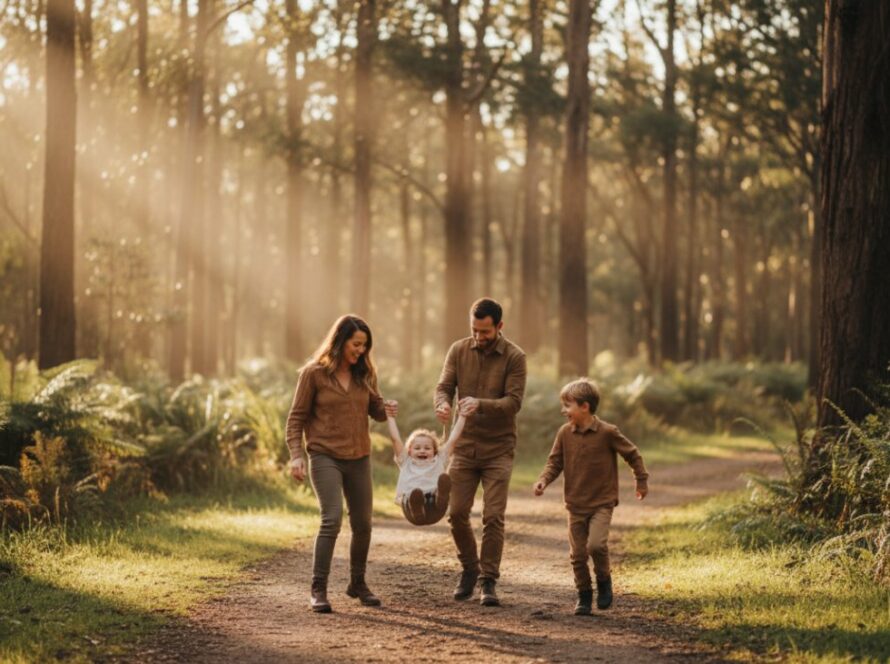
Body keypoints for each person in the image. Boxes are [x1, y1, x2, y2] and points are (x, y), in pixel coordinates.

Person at [285, 314, 389, 613]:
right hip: (324, 455)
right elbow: (296, 418)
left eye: (365, 346)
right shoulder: (313, 374)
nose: (361, 350)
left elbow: (377, 412)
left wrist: (386, 407)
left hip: (359, 456)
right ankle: (318, 589)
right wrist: (296, 454)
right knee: (331, 519)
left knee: (363, 524)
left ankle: (357, 583)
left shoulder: (365, 373)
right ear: (340, 341)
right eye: (356, 344)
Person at [434, 297, 527, 607]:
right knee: (456, 513)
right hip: (462, 446)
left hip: (498, 449)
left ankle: (488, 580)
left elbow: (513, 403)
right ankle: (470, 569)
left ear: (499, 327)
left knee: (493, 516)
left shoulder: (515, 357)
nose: (478, 337)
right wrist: (442, 403)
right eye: (474, 330)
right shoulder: (458, 350)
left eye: (485, 332)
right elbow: (444, 385)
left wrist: (480, 404)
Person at [533, 378, 650, 615]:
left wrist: (641, 480)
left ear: (584, 406)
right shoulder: (564, 433)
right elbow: (555, 462)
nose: (563, 411)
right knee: (577, 555)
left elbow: (633, 454)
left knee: (596, 545)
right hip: (575, 504)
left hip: (601, 503)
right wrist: (544, 480)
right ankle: (584, 595)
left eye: (568, 406)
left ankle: (604, 581)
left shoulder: (607, 432)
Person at [384, 400, 471, 525]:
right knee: (415, 495)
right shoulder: (406, 461)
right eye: (417, 448)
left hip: (435, 509)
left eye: (427, 448)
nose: (422, 451)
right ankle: (417, 508)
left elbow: (453, 440)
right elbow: (395, 439)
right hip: (412, 511)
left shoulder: (440, 460)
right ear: (409, 451)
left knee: (442, 482)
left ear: (435, 451)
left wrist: (462, 416)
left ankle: (441, 497)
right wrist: (390, 417)